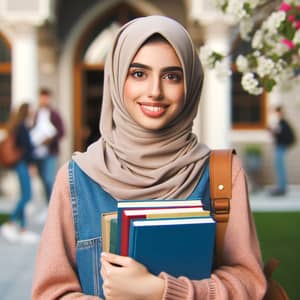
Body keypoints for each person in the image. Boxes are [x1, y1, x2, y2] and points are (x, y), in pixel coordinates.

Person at [32, 16, 266, 299]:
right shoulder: (75, 180)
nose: (154, 91)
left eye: (172, 76)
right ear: (117, 79)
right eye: (138, 74)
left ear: (190, 84)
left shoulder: (221, 174)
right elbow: (50, 293)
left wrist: (162, 290)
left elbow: (250, 284)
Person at [0, 103, 39, 243]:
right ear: (26, 111)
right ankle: (10, 222)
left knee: (24, 195)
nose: (33, 112)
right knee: (27, 196)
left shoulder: (18, 126)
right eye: (31, 109)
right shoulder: (22, 127)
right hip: (23, 164)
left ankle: (22, 229)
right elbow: (26, 148)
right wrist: (31, 165)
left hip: (19, 164)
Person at [30, 88, 65, 206]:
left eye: (45, 97)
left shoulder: (54, 114)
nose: (43, 100)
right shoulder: (35, 113)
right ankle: (47, 205)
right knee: (43, 180)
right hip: (38, 152)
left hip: (50, 152)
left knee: (49, 179)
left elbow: (62, 132)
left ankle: (53, 206)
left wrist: (50, 139)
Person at [269, 105, 295, 196]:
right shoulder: (281, 123)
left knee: (280, 167)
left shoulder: (283, 123)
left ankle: (282, 188)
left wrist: (274, 132)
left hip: (281, 147)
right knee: (279, 167)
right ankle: (281, 187)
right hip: (280, 147)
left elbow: (281, 134)